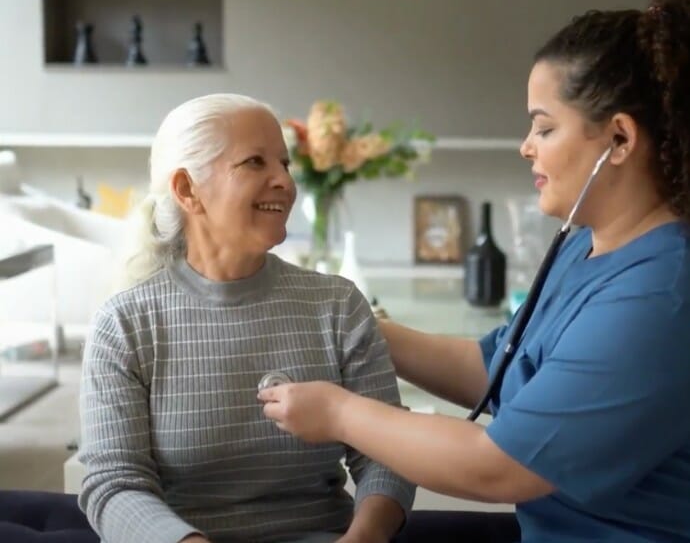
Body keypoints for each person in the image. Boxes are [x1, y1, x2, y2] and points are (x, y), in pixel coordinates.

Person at [257, 0, 690, 542]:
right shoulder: (589, 243)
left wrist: (338, 413)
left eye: (545, 126)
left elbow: (496, 467)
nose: (527, 145)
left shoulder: (662, 299)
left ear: (620, 139)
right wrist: (360, 328)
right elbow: (500, 368)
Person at [5, 93, 413, 543]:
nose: (284, 181)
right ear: (186, 190)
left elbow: (388, 456)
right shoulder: (125, 323)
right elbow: (114, 485)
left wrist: (362, 540)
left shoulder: (338, 305)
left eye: (284, 162)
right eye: (255, 162)